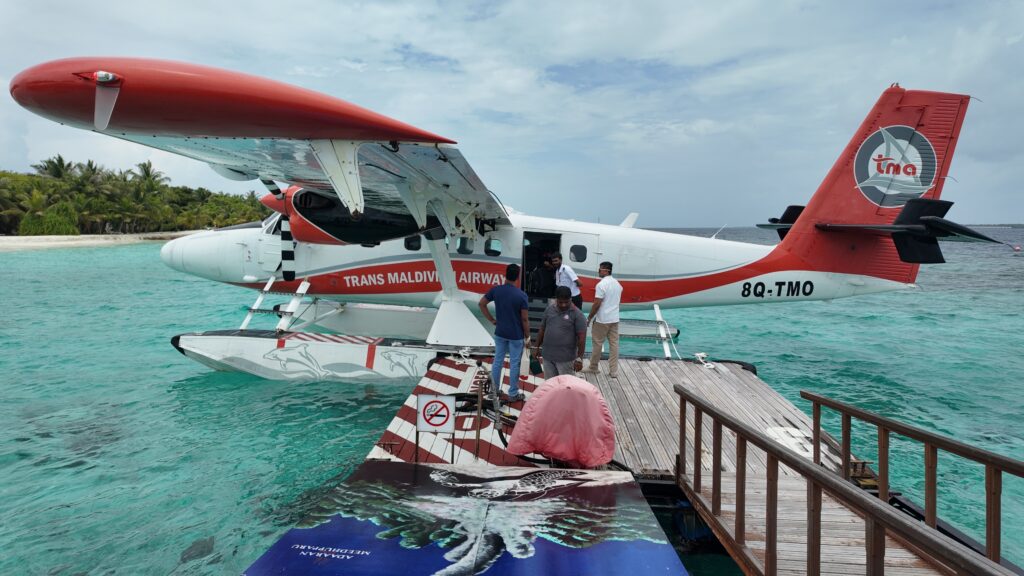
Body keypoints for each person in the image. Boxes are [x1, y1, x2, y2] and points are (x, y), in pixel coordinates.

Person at [478, 264, 530, 402]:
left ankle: (495, 392)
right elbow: (524, 319)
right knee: (514, 364)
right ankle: (513, 394)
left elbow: (481, 304)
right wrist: (528, 336)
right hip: (516, 335)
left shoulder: (496, 290)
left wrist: (492, 320)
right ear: (518, 277)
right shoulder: (522, 295)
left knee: (497, 362)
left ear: (505, 275)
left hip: (500, 332)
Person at [533, 286, 587, 377]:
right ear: (556, 299)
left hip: (566, 360)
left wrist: (579, 358)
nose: (563, 305)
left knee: (565, 387)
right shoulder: (549, 310)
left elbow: (582, 338)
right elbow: (542, 329)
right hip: (547, 357)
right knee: (550, 386)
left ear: (571, 299)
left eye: (566, 302)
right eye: (560, 302)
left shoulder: (578, 315)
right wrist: (536, 347)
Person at [585, 261, 623, 379]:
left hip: (602, 319)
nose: (599, 271)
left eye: (600, 269)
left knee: (597, 343)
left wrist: (589, 317)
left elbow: (597, 304)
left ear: (606, 270)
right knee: (614, 344)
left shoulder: (601, 285)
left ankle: (593, 367)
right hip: (614, 318)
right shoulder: (618, 284)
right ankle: (613, 371)